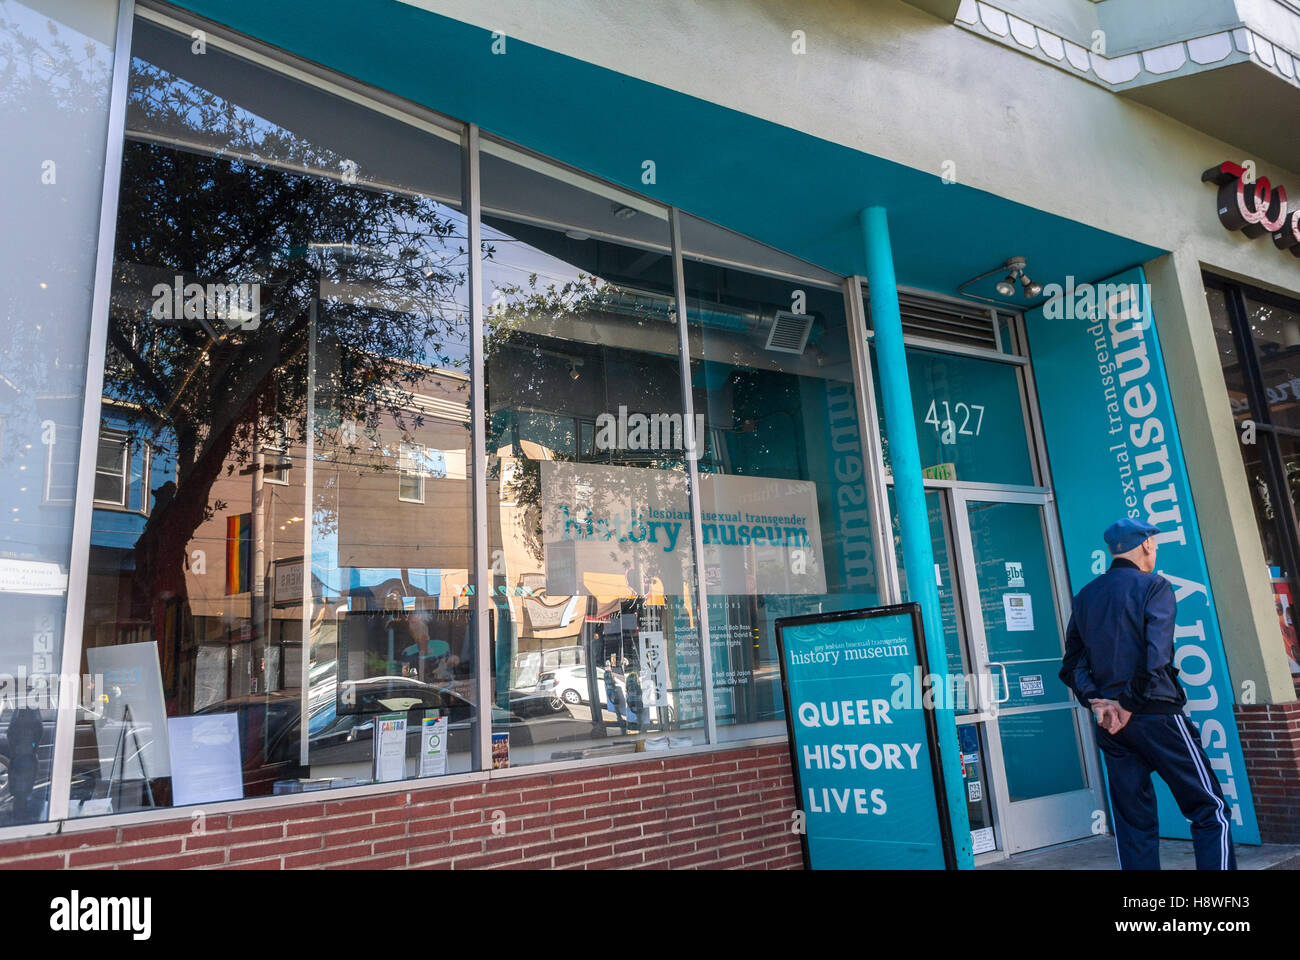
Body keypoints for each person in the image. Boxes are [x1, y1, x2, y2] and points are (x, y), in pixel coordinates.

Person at [1059, 518, 1236, 870]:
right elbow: (1156, 658)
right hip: (1157, 716)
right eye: (1154, 544)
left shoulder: (1086, 596)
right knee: (1209, 810)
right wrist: (1126, 703)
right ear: (1144, 546)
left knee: (1133, 824)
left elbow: (1071, 665)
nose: (1155, 550)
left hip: (1112, 726)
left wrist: (1099, 702)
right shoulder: (1155, 587)